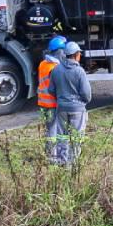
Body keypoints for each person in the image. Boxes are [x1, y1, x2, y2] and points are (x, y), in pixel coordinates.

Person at [50, 41, 92, 166]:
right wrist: (81, 102)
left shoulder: (56, 70)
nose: (80, 56)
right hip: (77, 109)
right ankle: (73, 163)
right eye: (79, 53)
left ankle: (62, 161)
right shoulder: (79, 71)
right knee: (76, 136)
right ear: (75, 55)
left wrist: (61, 99)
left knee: (62, 136)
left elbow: (51, 89)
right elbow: (87, 94)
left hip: (61, 108)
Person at [37, 35, 66, 163]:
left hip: (42, 103)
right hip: (52, 104)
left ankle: (49, 153)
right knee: (53, 131)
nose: (65, 54)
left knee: (49, 129)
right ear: (59, 51)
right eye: (63, 51)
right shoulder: (54, 68)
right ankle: (52, 157)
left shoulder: (43, 64)